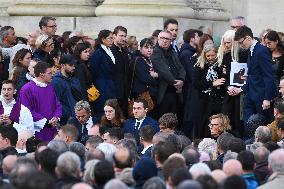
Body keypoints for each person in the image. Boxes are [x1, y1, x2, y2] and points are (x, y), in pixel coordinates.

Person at [232, 26, 277, 137]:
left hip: (261, 96)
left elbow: (268, 76)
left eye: (241, 42)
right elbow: (253, 74)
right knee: (248, 126)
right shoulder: (251, 51)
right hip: (250, 95)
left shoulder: (261, 51)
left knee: (261, 127)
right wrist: (242, 89)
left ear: (248, 38)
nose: (241, 45)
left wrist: (267, 98)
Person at [18, 61, 62, 141]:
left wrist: (56, 117)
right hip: (36, 131)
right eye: (49, 73)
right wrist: (46, 121)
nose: (52, 75)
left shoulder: (49, 87)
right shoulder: (26, 89)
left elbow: (57, 105)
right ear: (42, 75)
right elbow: (26, 111)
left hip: (52, 129)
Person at [190, 44, 226, 138]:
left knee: (216, 124)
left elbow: (224, 81)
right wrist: (212, 83)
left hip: (217, 99)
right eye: (208, 56)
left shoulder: (221, 65)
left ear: (217, 54)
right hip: (203, 100)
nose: (210, 58)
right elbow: (196, 83)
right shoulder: (199, 65)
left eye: (213, 55)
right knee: (203, 124)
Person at [218, 30, 248, 137]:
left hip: (242, 92)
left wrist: (240, 88)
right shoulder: (226, 57)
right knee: (226, 118)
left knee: (239, 119)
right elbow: (223, 77)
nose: (226, 45)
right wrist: (229, 87)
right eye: (225, 42)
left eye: (229, 42)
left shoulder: (245, 54)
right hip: (230, 93)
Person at [151, 30, 186, 118]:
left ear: (171, 41)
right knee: (163, 118)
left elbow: (181, 68)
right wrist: (176, 83)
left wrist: (181, 80)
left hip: (175, 91)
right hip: (163, 92)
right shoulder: (155, 52)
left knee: (173, 118)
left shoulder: (173, 52)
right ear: (158, 39)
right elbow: (164, 71)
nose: (164, 40)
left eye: (167, 39)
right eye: (162, 38)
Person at [130, 38, 159, 118]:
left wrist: (156, 75)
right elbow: (145, 78)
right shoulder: (138, 60)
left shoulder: (149, 60)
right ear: (140, 48)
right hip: (141, 95)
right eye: (146, 47)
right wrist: (157, 78)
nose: (149, 50)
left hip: (150, 94)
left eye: (151, 48)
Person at [90, 29, 116, 117]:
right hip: (102, 87)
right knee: (103, 112)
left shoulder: (109, 51)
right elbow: (94, 71)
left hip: (110, 86)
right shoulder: (98, 53)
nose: (112, 40)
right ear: (103, 39)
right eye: (110, 38)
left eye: (112, 38)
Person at [51, 54, 82, 125]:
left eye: (74, 65)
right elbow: (55, 102)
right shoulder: (56, 82)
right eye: (71, 65)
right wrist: (68, 115)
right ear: (62, 65)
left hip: (77, 117)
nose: (73, 67)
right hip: (66, 121)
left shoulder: (74, 79)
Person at [111, 26, 130, 116]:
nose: (123, 38)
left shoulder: (124, 50)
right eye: (121, 36)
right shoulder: (110, 51)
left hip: (125, 91)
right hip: (115, 91)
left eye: (125, 36)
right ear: (114, 36)